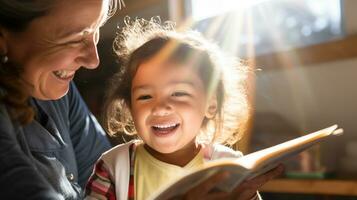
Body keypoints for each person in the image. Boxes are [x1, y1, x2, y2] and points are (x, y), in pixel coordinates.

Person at [85, 18, 283, 200]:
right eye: (145, 97)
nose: (160, 108)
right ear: (130, 107)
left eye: (179, 94)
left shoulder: (229, 167)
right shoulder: (113, 166)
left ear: (210, 105)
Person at [0, 0, 125, 199]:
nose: (93, 61)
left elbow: (113, 182)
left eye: (97, 30)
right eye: (75, 39)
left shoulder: (54, 89)